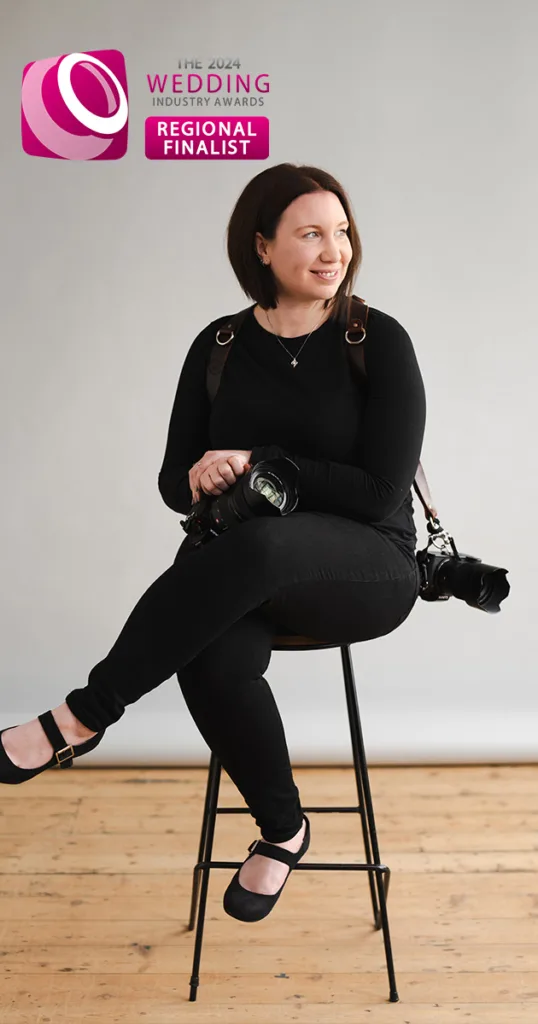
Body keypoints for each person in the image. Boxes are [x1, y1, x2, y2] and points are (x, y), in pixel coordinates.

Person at [0, 163, 426, 920]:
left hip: (366, 567)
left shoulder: (377, 339)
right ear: (262, 247)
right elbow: (173, 485)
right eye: (311, 234)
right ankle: (284, 830)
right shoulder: (221, 344)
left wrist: (264, 463)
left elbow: (379, 493)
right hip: (239, 567)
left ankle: (82, 716)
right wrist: (202, 472)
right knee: (212, 655)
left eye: (342, 231)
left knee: (261, 551)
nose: (335, 251)